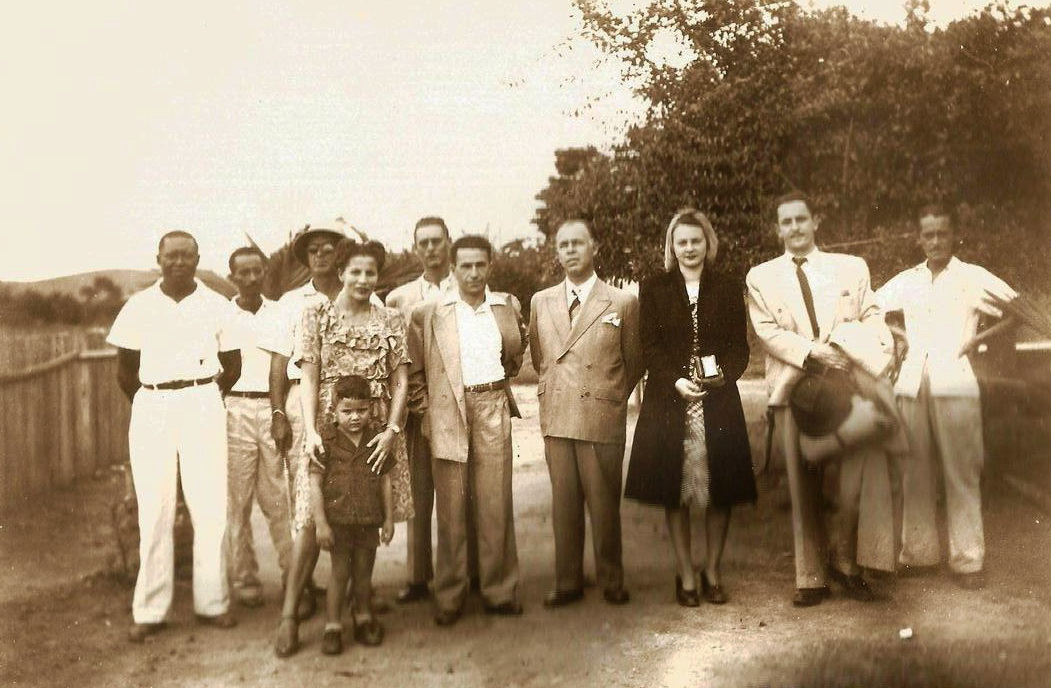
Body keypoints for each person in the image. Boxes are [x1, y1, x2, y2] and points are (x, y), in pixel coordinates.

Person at [747, 191, 894, 607]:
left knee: (857, 470)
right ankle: (810, 576)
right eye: (786, 221)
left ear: (816, 221)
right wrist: (814, 353)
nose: (794, 227)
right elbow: (768, 333)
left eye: (801, 219)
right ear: (777, 229)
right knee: (803, 478)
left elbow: (873, 316)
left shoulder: (850, 267)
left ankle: (848, 563)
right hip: (795, 380)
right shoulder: (761, 277)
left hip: (847, 377)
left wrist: (853, 347)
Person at [274, 238, 412, 656]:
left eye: (371, 272)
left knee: (366, 516)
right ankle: (289, 615)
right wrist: (312, 431)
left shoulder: (391, 318)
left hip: (376, 427)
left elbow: (401, 380)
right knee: (311, 521)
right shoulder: (316, 314)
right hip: (329, 424)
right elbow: (309, 376)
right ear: (341, 273)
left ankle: (359, 608)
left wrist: (392, 430)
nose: (363, 279)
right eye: (355, 272)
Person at [108, 230, 242, 642]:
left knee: (209, 506)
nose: (179, 262)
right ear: (159, 259)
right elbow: (125, 371)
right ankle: (150, 610)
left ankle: (213, 601)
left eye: (187, 255)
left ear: (198, 259)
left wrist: (203, 397)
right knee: (155, 508)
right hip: (153, 403)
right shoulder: (139, 306)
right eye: (172, 255)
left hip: (202, 400)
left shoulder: (217, 305)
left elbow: (233, 365)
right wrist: (154, 399)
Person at [876, 204, 1015, 589]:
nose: (935, 241)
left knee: (961, 470)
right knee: (913, 470)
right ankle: (918, 555)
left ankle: (968, 560)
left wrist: (977, 340)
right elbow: (871, 307)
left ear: (955, 236)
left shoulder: (972, 277)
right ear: (919, 238)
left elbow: (1016, 309)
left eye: (942, 233)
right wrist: (898, 335)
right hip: (912, 382)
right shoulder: (908, 280)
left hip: (954, 378)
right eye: (928, 234)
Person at [625, 209, 756, 606]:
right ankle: (685, 574)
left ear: (707, 243)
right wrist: (675, 380)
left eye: (695, 240)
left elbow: (739, 348)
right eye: (681, 242)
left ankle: (712, 571)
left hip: (718, 402)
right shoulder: (654, 288)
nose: (689, 248)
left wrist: (724, 376)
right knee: (675, 490)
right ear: (672, 246)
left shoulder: (727, 287)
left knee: (721, 490)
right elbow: (650, 347)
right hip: (670, 399)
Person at [408, 235, 525, 626]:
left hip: (492, 405)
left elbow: (514, 356)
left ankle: (499, 590)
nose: (474, 273)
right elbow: (415, 372)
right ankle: (450, 595)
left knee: (495, 503)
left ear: (490, 266)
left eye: (480, 265)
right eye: (466, 266)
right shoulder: (429, 313)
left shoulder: (505, 306)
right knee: (451, 508)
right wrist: (427, 412)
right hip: (448, 412)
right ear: (453, 268)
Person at [528, 219, 641, 607]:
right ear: (557, 252)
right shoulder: (541, 301)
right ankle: (567, 582)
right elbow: (541, 356)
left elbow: (633, 361)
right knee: (564, 504)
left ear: (595, 247)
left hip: (600, 414)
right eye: (564, 245)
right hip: (558, 412)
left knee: (604, 503)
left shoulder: (622, 301)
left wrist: (609, 396)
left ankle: (611, 579)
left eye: (578, 243)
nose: (571, 250)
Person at [385, 216, 454, 604]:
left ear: (449, 242)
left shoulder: (468, 287)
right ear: (415, 249)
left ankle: (462, 571)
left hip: (460, 406)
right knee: (420, 491)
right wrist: (420, 406)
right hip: (418, 408)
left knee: (459, 493)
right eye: (423, 242)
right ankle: (417, 576)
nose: (430, 248)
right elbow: (400, 360)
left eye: (436, 241)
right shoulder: (399, 298)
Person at [224, 246, 293, 608]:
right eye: (243, 272)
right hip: (233, 408)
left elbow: (284, 366)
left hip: (271, 406)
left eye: (257, 271)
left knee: (278, 498)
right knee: (236, 500)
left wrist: (279, 413)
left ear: (265, 272)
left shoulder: (280, 313)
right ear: (232, 276)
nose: (251, 278)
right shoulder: (221, 316)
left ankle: (294, 576)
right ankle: (244, 577)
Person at [311, 375, 395, 655]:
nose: (355, 417)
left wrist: (388, 519)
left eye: (361, 410)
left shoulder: (376, 440)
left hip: (368, 521)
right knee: (339, 573)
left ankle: (363, 618)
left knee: (363, 574)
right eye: (347, 411)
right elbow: (314, 484)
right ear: (334, 409)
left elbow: (385, 481)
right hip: (339, 522)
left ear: (371, 408)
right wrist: (321, 524)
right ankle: (333, 626)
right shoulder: (326, 441)